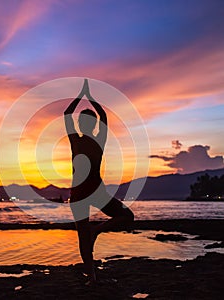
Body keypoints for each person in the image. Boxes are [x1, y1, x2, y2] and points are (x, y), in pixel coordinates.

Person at [64, 79, 134, 284]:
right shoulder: (83, 139)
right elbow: (72, 115)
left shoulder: (87, 140)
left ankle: (93, 267)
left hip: (89, 192)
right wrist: (88, 97)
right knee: (87, 235)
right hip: (85, 193)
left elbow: (72, 115)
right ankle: (92, 275)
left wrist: (84, 96)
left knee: (125, 217)